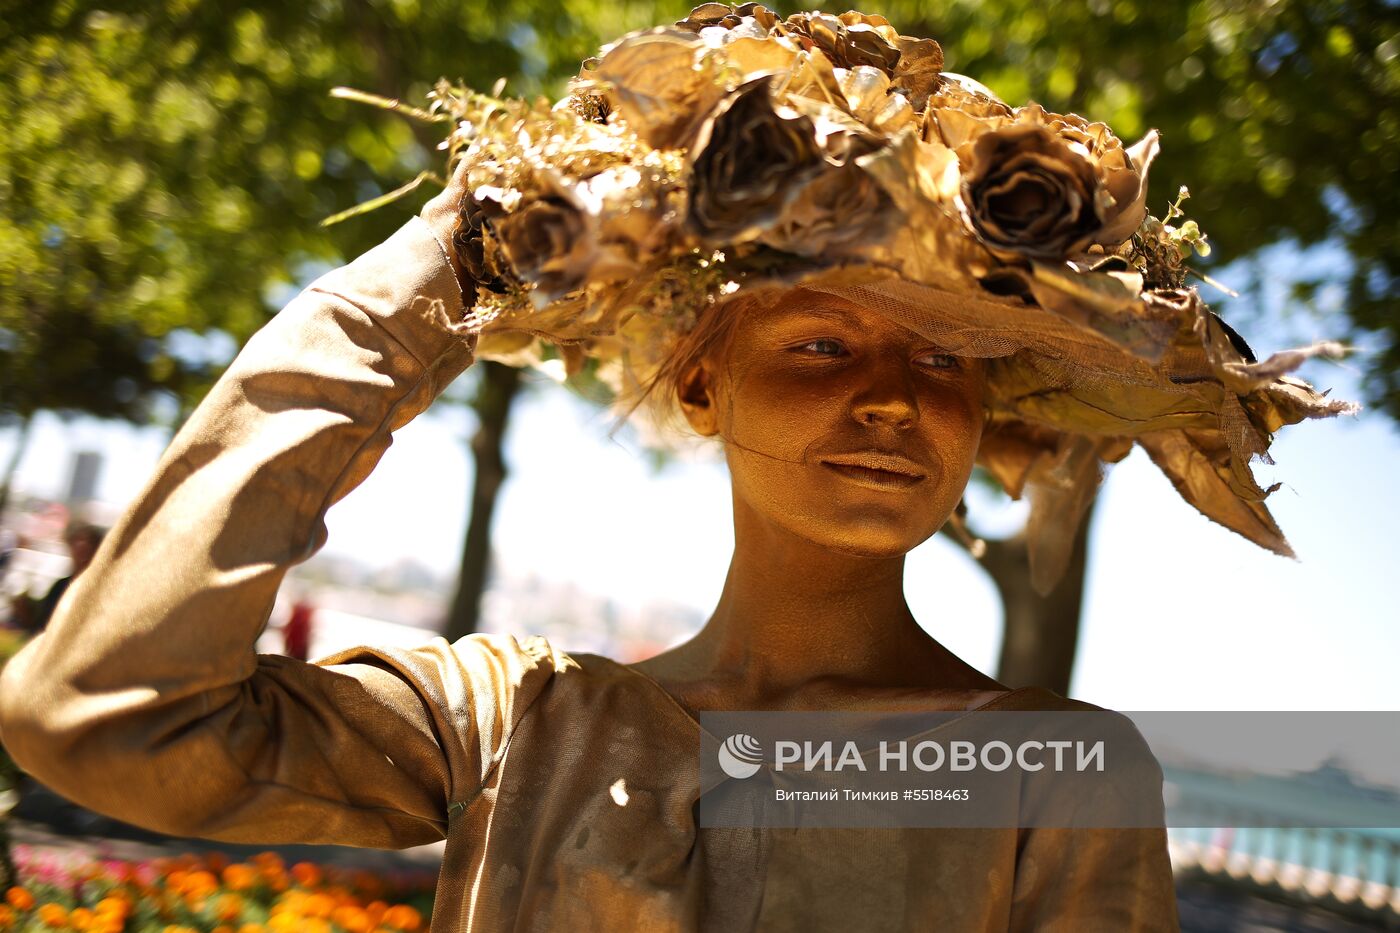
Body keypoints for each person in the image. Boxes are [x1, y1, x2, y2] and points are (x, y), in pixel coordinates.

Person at [0, 7, 1355, 931]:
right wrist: (452, 266)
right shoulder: (509, 724)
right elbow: (100, 713)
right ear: (703, 378)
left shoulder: (1056, 775)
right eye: (823, 340)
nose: (892, 396)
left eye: (949, 364)